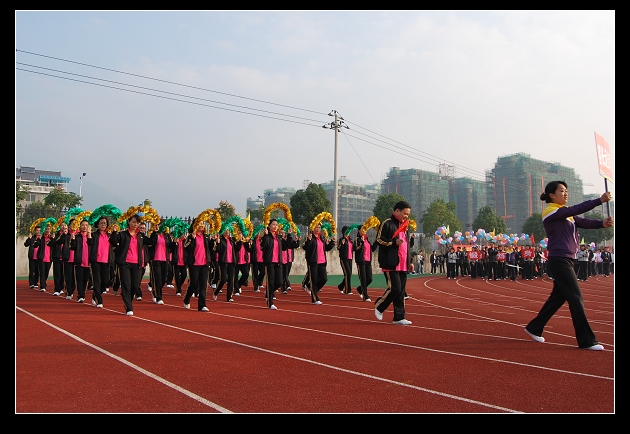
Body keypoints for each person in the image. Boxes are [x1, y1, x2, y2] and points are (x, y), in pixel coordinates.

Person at [524, 181, 613, 350]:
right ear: (552, 195)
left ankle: (534, 327)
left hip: (568, 259)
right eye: (562, 191)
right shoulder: (551, 211)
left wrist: (602, 223)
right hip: (559, 259)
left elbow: (583, 221)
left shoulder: (566, 214)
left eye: (566, 191)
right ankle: (587, 340)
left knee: (558, 297)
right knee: (575, 296)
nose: (565, 193)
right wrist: (599, 201)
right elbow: (576, 209)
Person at [374, 200, 414, 325]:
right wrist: (393, 243)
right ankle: (379, 306)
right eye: (405, 213)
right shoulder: (387, 223)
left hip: (403, 263)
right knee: (395, 289)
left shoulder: (405, 226)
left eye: (408, 214)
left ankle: (399, 317)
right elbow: (379, 240)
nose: (406, 216)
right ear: (397, 211)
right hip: (390, 262)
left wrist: (410, 261)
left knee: (401, 291)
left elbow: (407, 245)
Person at [109, 214, 151, 316]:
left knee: (135, 286)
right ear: (129, 222)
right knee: (126, 285)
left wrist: (154, 232)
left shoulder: (140, 235)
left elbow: (152, 242)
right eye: (133, 222)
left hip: (137, 264)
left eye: (137, 222)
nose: (135, 224)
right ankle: (128, 307)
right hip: (125, 263)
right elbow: (113, 241)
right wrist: (114, 232)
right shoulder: (123, 234)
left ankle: (127, 298)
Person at [302, 223, 335, 305]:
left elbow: (326, 248)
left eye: (319, 227)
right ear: (312, 228)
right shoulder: (310, 237)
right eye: (316, 227)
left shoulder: (321, 238)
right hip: (313, 262)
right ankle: (315, 299)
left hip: (322, 262)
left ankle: (311, 289)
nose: (318, 229)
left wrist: (332, 242)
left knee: (324, 279)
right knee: (314, 280)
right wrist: (308, 241)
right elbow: (305, 247)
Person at [182, 219, 211, 312]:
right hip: (194, 264)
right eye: (199, 224)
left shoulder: (206, 236)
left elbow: (211, 249)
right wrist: (192, 239)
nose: (201, 225)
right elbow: (186, 247)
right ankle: (186, 299)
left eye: (202, 223)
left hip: (204, 264)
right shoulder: (191, 236)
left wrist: (215, 241)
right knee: (193, 284)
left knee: (203, 285)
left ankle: (202, 305)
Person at [260, 219, 288, 309]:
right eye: (273, 224)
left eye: (276, 225)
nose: (275, 226)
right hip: (269, 262)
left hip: (278, 262)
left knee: (279, 282)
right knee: (271, 282)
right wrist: (266, 235)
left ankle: (269, 292)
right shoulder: (266, 236)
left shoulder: (278, 237)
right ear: (269, 226)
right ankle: (270, 303)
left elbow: (285, 247)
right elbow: (264, 246)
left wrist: (289, 236)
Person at [87, 216, 114, 308]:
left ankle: (95, 295)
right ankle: (99, 300)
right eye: (101, 223)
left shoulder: (109, 235)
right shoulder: (94, 235)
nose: (103, 225)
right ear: (97, 224)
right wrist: (89, 234)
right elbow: (90, 243)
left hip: (106, 261)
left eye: (105, 223)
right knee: (96, 280)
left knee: (105, 282)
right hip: (95, 261)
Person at [354, 226, 378, 302]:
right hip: (361, 261)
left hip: (368, 261)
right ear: (359, 231)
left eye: (365, 229)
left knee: (369, 279)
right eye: (362, 229)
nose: (364, 230)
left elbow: (372, 249)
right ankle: (365, 296)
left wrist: (376, 241)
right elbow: (355, 248)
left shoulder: (367, 240)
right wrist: (361, 241)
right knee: (363, 279)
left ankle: (360, 289)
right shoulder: (357, 239)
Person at [337, 226, 354, 295]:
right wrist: (342, 244)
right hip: (344, 259)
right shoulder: (341, 239)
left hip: (350, 258)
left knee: (349, 274)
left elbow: (353, 248)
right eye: (347, 230)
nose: (349, 232)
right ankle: (348, 290)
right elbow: (338, 248)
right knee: (348, 274)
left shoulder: (351, 240)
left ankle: (341, 286)